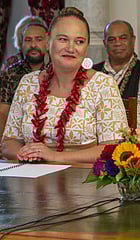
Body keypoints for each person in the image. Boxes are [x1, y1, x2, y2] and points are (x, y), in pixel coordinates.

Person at [2, 7, 128, 163]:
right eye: (63, 39)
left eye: (79, 42)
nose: (70, 48)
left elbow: (113, 147)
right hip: (32, 178)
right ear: (48, 41)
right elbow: (8, 142)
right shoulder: (28, 83)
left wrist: (55, 156)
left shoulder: (103, 85)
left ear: (86, 47)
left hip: (83, 180)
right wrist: (27, 155)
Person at [93, 20, 140, 130]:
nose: (117, 43)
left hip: (131, 143)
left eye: (123, 38)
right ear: (105, 43)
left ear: (133, 40)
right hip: (94, 142)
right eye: (111, 39)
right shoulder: (92, 73)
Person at [0, 16, 48, 139]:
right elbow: (3, 112)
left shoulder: (56, 70)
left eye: (38, 39)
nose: (33, 45)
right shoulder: (11, 73)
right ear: (21, 44)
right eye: (28, 40)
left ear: (48, 43)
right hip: (17, 137)